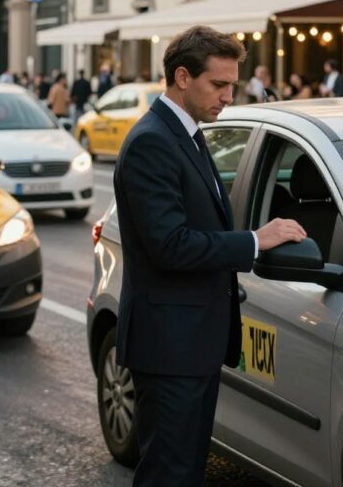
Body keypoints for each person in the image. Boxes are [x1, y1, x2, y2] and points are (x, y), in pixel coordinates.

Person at [113, 25, 306, 487]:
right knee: (169, 473)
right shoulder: (153, 141)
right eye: (218, 85)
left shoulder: (188, 133)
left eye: (232, 86)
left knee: (185, 470)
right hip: (169, 346)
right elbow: (171, 244)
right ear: (182, 77)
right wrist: (256, 241)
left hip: (189, 342)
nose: (227, 97)